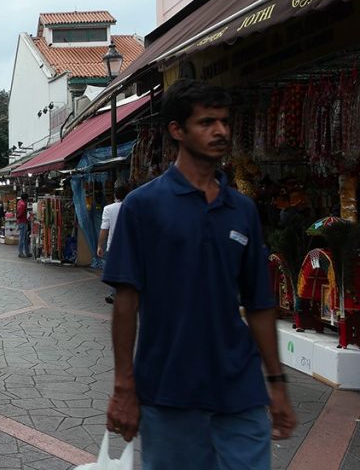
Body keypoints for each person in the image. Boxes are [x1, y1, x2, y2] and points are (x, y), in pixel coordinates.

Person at [102, 80, 296, 469]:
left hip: (240, 391)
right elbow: (126, 302)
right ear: (177, 130)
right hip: (168, 389)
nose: (220, 131)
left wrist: (276, 383)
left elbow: (258, 303)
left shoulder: (241, 210)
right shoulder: (143, 207)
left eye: (224, 122)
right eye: (207, 122)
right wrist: (124, 385)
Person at [97, 183, 128, 304]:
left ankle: (115, 294)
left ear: (115, 195)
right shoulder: (132, 206)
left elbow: (104, 229)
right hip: (129, 246)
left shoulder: (108, 209)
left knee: (115, 271)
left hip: (113, 245)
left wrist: (100, 245)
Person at [15, 194, 30, 258]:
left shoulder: (19, 202)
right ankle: (21, 253)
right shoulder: (23, 204)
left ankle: (27, 252)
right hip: (23, 222)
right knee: (22, 238)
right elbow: (20, 214)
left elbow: (18, 213)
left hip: (21, 222)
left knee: (25, 238)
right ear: (26, 198)